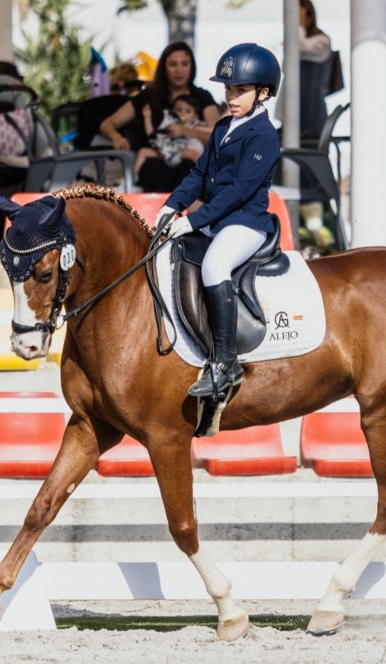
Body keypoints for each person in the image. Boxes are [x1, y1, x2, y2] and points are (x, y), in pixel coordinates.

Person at [156, 43, 282, 399]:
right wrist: (171, 205)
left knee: (214, 265)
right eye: (228, 89)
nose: (231, 97)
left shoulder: (264, 135)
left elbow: (240, 191)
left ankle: (226, 363)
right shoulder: (224, 126)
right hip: (218, 219)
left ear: (263, 92)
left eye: (240, 90)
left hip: (246, 222)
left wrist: (193, 220)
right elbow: (200, 173)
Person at [99, 41, 220, 192]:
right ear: (164, 68)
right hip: (154, 163)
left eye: (184, 64)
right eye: (173, 64)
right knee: (155, 170)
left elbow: (218, 136)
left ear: (192, 67)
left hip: (189, 163)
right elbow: (107, 124)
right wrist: (116, 136)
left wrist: (187, 132)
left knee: (190, 171)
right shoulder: (148, 96)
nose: (179, 70)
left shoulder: (203, 97)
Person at [135, 94, 206, 177]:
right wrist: (147, 117)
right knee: (142, 151)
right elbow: (153, 136)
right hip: (166, 153)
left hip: (182, 152)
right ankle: (133, 177)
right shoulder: (169, 125)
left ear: (195, 116)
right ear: (172, 112)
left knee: (193, 154)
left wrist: (188, 131)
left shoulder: (195, 126)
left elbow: (210, 132)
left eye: (188, 111)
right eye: (178, 110)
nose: (182, 113)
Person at [298, 0, 334, 141]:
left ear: (309, 15)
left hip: (313, 115)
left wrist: (300, 26)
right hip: (296, 113)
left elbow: (299, 46)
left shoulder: (321, 41)